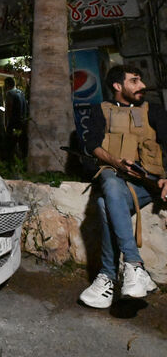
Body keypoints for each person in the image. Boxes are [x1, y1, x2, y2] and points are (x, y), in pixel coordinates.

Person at [79, 64, 167, 309]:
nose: (142, 86)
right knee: (108, 181)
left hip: (146, 185)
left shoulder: (154, 110)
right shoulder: (100, 110)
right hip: (116, 178)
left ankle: (107, 276)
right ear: (118, 87)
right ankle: (134, 267)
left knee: (103, 202)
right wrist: (116, 162)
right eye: (134, 81)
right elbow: (92, 145)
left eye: (141, 81)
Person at [4, 77, 28, 160]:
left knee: (10, 145)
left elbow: (9, 109)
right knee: (23, 145)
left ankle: (11, 165)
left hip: (14, 123)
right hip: (23, 122)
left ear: (7, 84)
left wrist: (7, 123)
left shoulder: (10, 93)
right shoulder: (21, 92)